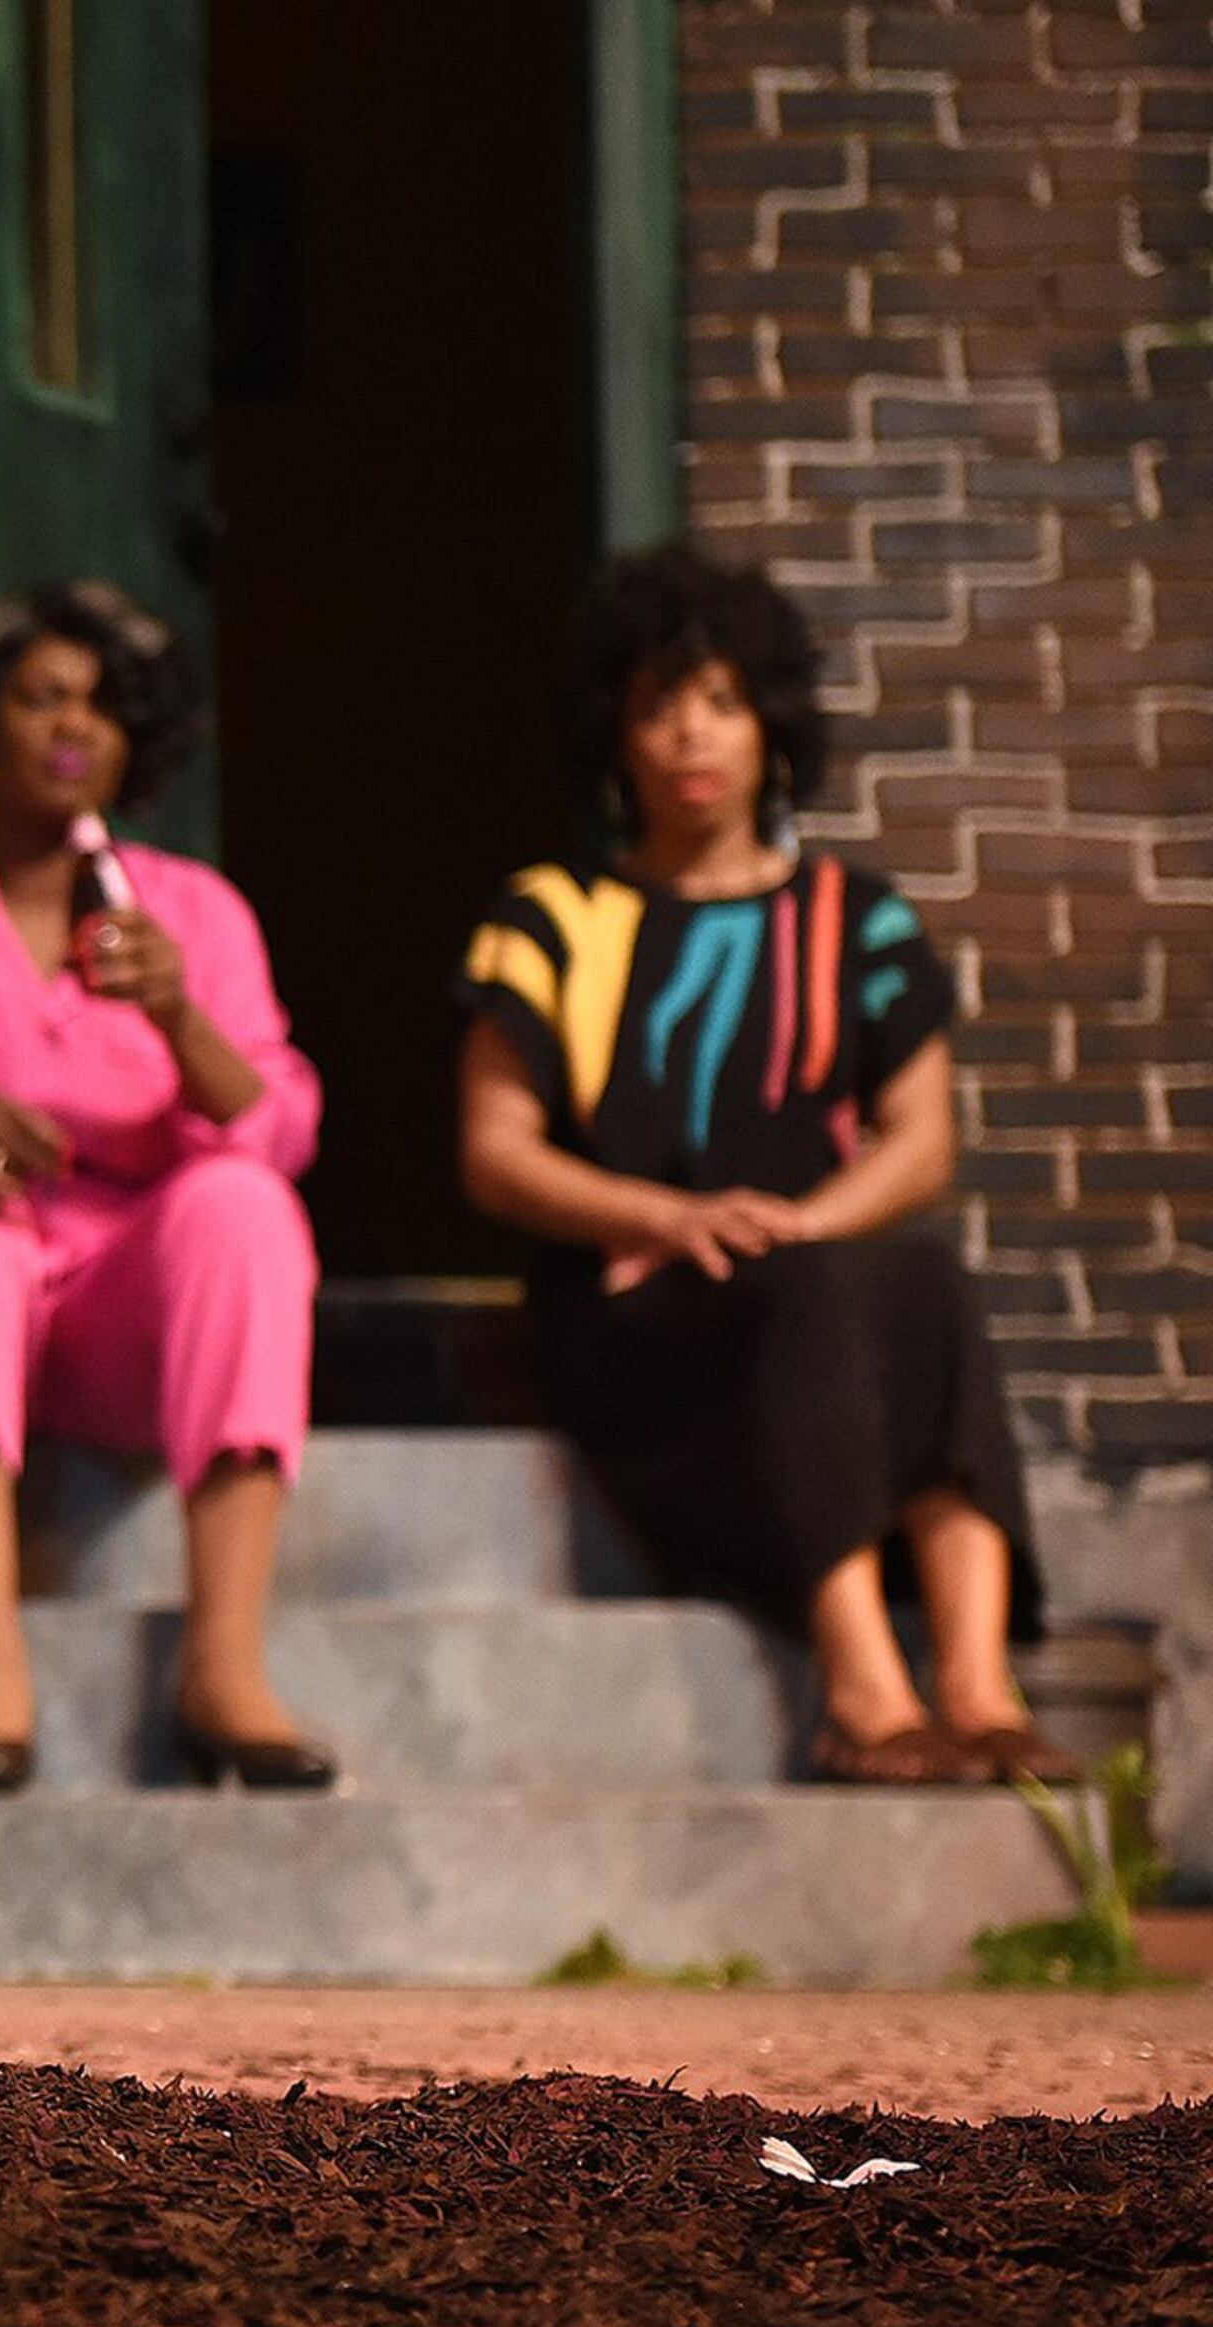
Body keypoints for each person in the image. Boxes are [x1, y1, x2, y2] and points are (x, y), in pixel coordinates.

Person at [455, 548, 1069, 1788]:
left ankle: (978, 1683)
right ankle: (862, 1690)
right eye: (658, 706)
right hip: (636, 1311)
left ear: (771, 727)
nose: (693, 735)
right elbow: (497, 1155)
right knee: (821, 1297)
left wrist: (797, 1227)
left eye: (724, 704)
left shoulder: (861, 919)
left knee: (921, 1286)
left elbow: (922, 1142)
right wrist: (673, 1220)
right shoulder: (550, 919)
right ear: (614, 736)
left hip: (804, 1282)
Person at [0, 583, 335, 1792]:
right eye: (39, 699)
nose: (71, 727)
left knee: (245, 1204)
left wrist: (176, 1010)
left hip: (120, 1322)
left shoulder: (192, 910)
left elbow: (280, 1124)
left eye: (101, 705)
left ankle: (224, 1663)